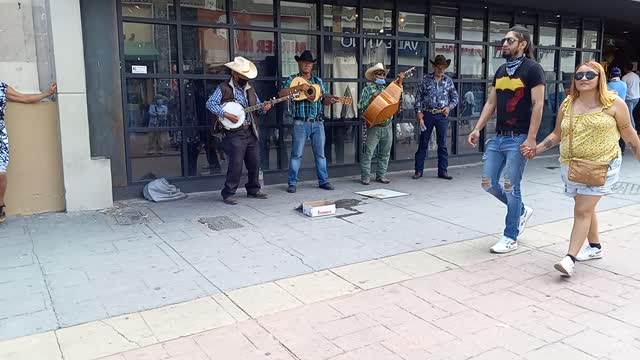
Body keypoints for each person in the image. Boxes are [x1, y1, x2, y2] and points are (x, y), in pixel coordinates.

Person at [522, 61, 640, 276]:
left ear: (600, 78)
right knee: (585, 207)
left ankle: (570, 258)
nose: (583, 79)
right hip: (572, 165)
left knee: (582, 210)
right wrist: (536, 149)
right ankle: (594, 247)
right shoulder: (568, 103)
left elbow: (629, 134)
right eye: (579, 75)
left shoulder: (614, 104)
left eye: (589, 75)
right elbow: (558, 134)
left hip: (602, 165)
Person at [468, 26, 545, 253]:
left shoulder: (533, 69)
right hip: (498, 138)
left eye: (510, 40)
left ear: (523, 44)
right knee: (488, 183)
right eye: (504, 40)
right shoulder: (501, 70)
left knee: (511, 186)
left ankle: (510, 236)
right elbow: (491, 103)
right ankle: (520, 210)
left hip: (519, 137)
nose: (504, 44)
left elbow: (538, 104)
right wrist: (477, 128)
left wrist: (531, 138)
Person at [206, 57, 272, 205]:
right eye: (244, 75)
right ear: (235, 74)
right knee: (236, 164)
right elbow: (210, 103)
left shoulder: (251, 89)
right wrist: (226, 114)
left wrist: (264, 108)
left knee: (254, 162)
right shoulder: (223, 88)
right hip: (235, 133)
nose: (246, 78)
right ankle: (228, 193)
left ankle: (253, 189)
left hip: (251, 131)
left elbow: (258, 110)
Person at [279, 50, 338, 193]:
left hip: (318, 123)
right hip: (300, 122)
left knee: (321, 154)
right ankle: (292, 183)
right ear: (299, 63)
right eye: (304, 62)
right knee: (296, 154)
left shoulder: (318, 81)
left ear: (312, 65)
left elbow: (324, 100)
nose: (307, 65)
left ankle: (323, 181)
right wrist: (299, 87)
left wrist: (330, 101)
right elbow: (282, 93)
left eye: (309, 63)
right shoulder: (293, 79)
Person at [0, 81, 57, 223]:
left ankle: (0, 204)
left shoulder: (2, 87)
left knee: (1, 174)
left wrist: (47, 94)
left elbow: (24, 98)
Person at [413, 55, 459, 180]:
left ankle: (443, 171)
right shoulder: (425, 79)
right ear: (434, 66)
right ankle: (418, 170)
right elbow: (418, 97)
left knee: (442, 143)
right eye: (439, 67)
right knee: (423, 142)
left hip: (441, 114)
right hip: (428, 113)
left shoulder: (448, 81)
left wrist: (449, 107)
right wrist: (418, 111)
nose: (441, 70)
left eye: (443, 68)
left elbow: (455, 97)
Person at [358, 63, 405, 185]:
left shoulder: (388, 89)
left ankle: (381, 175)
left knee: (385, 153)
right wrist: (371, 99)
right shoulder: (367, 89)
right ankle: (365, 176)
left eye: (383, 74)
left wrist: (400, 84)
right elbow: (360, 106)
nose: (381, 76)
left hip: (387, 125)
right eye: (379, 73)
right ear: (373, 76)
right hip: (374, 126)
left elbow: (397, 101)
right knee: (368, 152)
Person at [622, 63, 640, 129]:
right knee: (631, 113)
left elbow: (623, 88)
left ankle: (633, 129)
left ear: (625, 68)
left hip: (629, 98)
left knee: (629, 114)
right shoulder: (636, 76)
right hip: (637, 97)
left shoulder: (625, 77)